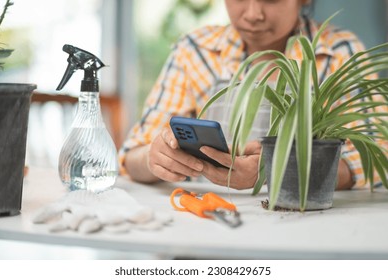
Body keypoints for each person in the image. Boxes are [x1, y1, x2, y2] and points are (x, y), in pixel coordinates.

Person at [120, 0, 383, 190]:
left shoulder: (338, 52)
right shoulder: (194, 51)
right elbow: (132, 157)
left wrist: (277, 171)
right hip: (208, 220)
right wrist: (154, 158)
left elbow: (378, 155)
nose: (253, 13)